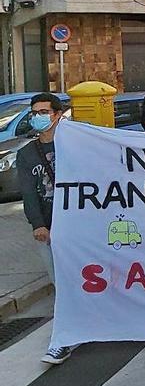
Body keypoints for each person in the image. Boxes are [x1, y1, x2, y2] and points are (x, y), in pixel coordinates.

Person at [19, 94, 73, 365]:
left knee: (81, 282)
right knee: (60, 285)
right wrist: (38, 224)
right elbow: (28, 194)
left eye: (43, 111)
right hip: (48, 229)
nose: (38, 116)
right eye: (34, 112)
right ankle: (64, 339)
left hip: (77, 228)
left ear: (57, 114)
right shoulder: (26, 154)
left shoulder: (75, 146)